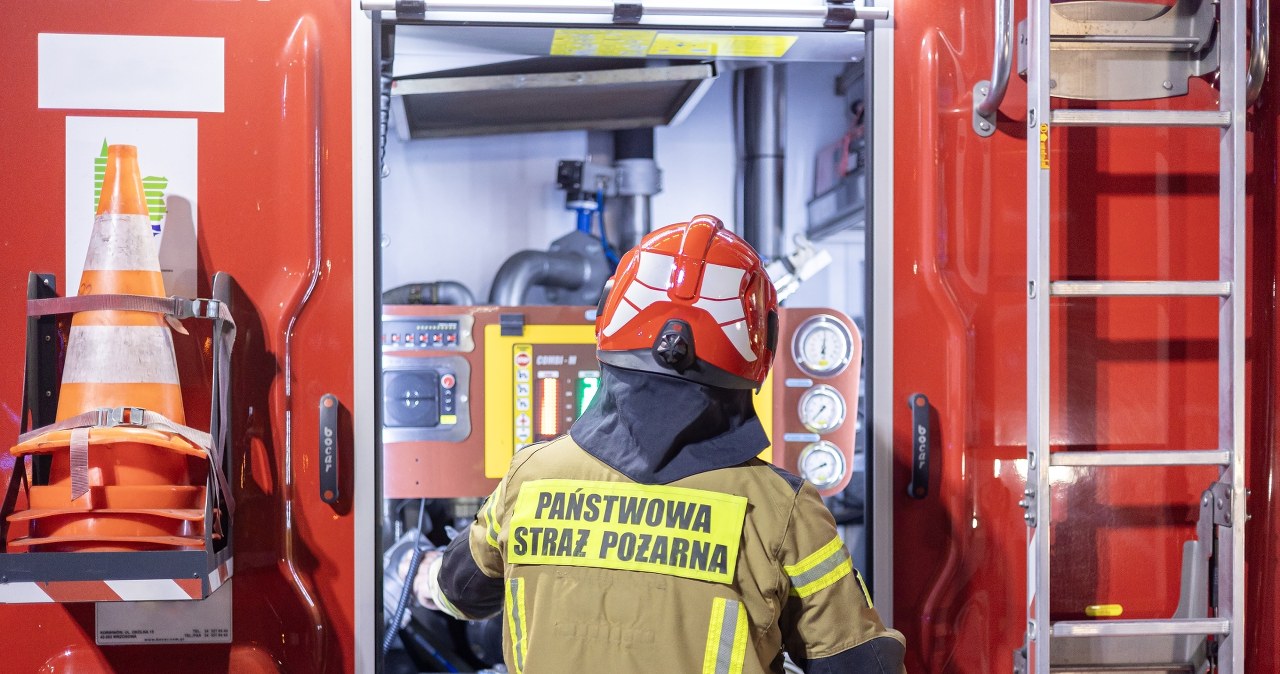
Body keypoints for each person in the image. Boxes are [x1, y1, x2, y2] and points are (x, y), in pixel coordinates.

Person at [412, 214, 906, 673]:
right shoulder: (783, 512)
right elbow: (861, 664)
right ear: (760, 350)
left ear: (607, 323)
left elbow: (460, 593)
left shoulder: (530, 477)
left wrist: (423, 574)